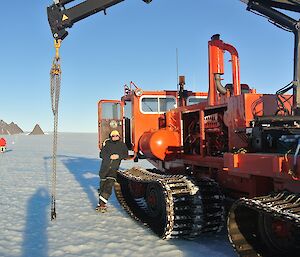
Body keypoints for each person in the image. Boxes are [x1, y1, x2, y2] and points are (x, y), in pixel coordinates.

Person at [96, 130, 128, 212]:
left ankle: (102, 204)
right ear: (111, 137)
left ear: (119, 136)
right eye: (113, 136)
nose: (115, 137)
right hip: (104, 168)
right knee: (103, 186)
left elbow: (126, 154)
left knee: (109, 184)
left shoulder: (122, 145)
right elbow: (101, 154)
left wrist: (118, 156)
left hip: (114, 169)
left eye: (116, 136)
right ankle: (101, 202)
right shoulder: (107, 144)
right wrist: (110, 156)